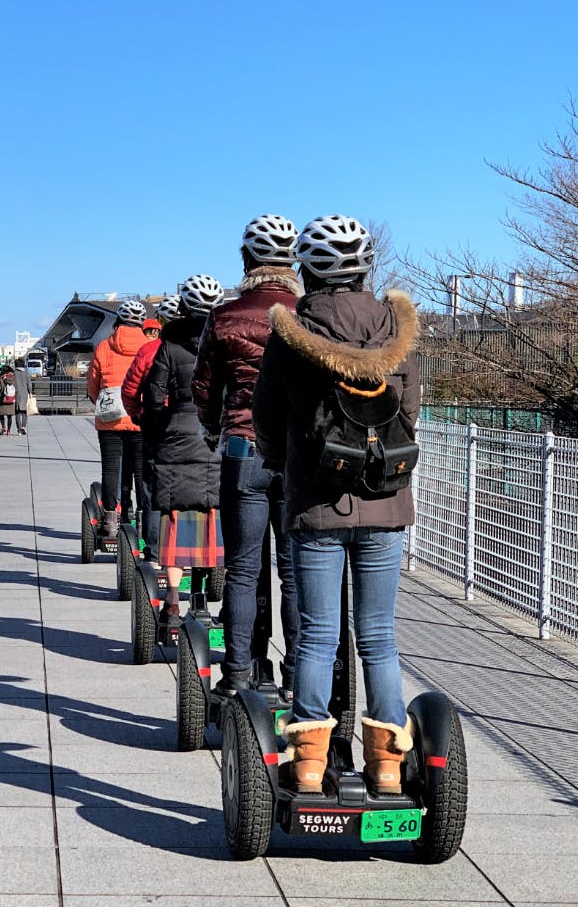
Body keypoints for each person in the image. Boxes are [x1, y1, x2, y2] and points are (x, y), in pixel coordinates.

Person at [253, 215, 420, 795]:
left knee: (319, 634)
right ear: (365, 267)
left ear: (306, 269)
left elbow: (267, 416)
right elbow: (411, 413)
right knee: (379, 636)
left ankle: (307, 765)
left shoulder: (291, 334)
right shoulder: (397, 327)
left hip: (318, 507)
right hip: (387, 504)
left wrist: (278, 459)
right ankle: (389, 767)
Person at [193, 214, 304, 699]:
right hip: (298, 455)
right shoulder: (309, 314)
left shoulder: (224, 316)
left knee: (242, 569)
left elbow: (205, 387)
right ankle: (300, 679)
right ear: (293, 262)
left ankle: (237, 675)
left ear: (246, 260)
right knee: (295, 571)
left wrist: (214, 427)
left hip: (244, 449)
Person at [141, 279, 221, 625]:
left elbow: (153, 399)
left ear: (183, 310)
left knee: (176, 521)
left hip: (176, 436)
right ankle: (205, 600)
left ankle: (172, 602)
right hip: (215, 436)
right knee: (214, 517)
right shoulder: (222, 343)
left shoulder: (168, 347)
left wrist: (159, 432)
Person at [123, 299, 181, 567]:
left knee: (152, 487)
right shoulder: (199, 348)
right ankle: (188, 550)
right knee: (189, 487)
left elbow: (130, 389)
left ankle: (155, 550)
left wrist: (137, 415)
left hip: (156, 426)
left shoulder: (149, 351)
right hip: (189, 427)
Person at [86, 300, 149, 540]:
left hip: (110, 417)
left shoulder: (104, 346)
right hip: (140, 417)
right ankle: (144, 520)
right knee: (142, 470)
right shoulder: (149, 345)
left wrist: (98, 400)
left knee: (111, 468)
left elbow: (93, 383)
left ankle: (111, 519)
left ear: (118, 322)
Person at [0, 366, 18, 434]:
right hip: (11, 399)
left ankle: (3, 427)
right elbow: (16, 389)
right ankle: (9, 430)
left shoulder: (0, 379)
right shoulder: (13, 379)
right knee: (9, 416)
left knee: (1, 414)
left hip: (2, 400)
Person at [11, 360, 32, 434]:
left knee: (17, 412)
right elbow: (29, 384)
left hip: (16, 394)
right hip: (25, 394)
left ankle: (19, 428)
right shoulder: (26, 373)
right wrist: (30, 393)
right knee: (24, 411)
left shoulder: (14, 373)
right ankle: (23, 426)